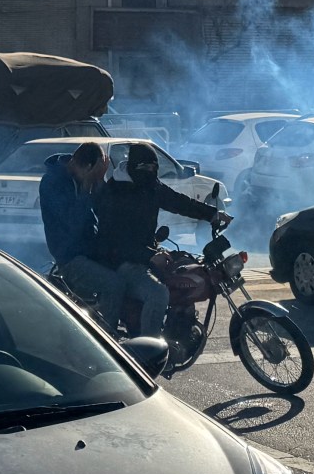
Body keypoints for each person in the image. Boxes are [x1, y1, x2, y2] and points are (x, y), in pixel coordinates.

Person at [91, 144, 227, 338]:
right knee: (158, 293)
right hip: (120, 263)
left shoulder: (151, 186)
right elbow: (116, 241)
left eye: (154, 167)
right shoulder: (115, 192)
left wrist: (212, 214)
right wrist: (150, 256)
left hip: (144, 256)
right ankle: (150, 349)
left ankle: (178, 329)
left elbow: (178, 201)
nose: (150, 171)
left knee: (183, 271)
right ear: (133, 166)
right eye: (145, 167)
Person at [39, 142, 123, 328]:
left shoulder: (81, 178)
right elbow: (73, 224)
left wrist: (99, 182)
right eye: (93, 174)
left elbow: (104, 212)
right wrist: (86, 187)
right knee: (113, 284)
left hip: (90, 250)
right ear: (85, 166)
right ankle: (107, 336)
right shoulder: (52, 183)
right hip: (69, 257)